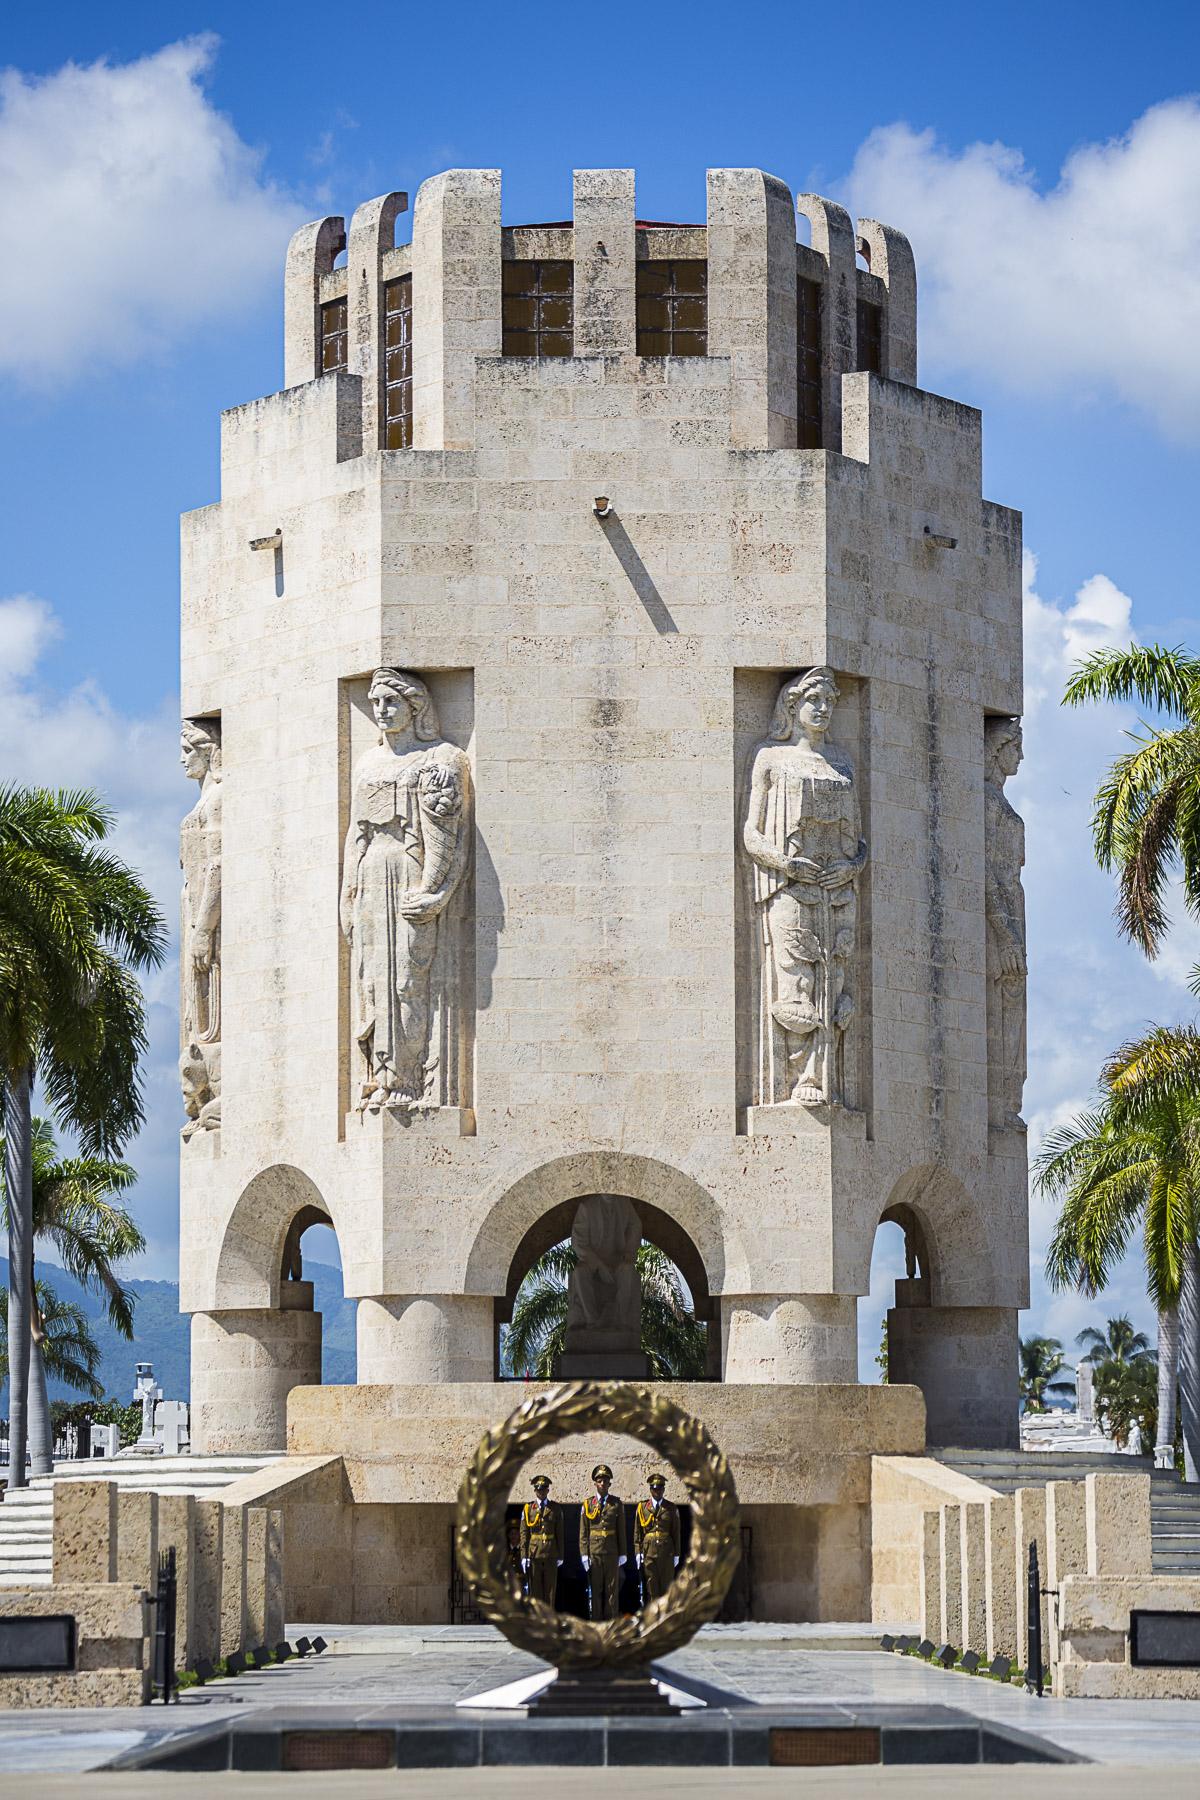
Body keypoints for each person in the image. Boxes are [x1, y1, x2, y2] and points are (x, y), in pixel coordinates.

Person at [579, 1463, 627, 1620]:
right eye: (599, 1481)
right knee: (596, 1591)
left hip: (612, 1553)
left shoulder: (616, 1504)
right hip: (595, 1554)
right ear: (595, 1484)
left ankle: (610, 1623)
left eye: (605, 1481)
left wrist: (623, 1553)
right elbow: (583, 1532)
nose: (602, 1483)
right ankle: (596, 1623)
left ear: (610, 1484)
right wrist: (584, 1554)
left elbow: (621, 1530)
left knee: (611, 1591)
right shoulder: (587, 1504)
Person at [633, 1471, 681, 1604]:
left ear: (664, 1489)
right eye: (654, 1488)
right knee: (652, 1588)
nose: (657, 1491)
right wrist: (638, 1553)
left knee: (666, 1589)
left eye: (660, 1488)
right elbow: (638, 1533)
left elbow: (676, 1533)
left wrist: (676, 1554)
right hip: (649, 1553)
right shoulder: (642, 1508)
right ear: (650, 1490)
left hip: (667, 1553)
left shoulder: (670, 1508)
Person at [518, 1474, 563, 1606]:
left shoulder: (555, 1508)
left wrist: (560, 1555)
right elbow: (524, 1534)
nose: (541, 1492)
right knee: (535, 1589)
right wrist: (524, 1556)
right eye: (538, 1489)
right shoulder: (528, 1509)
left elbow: (559, 1534)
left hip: (550, 1552)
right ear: (534, 1491)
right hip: (534, 1553)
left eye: (544, 1489)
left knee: (550, 1589)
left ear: (548, 1491)